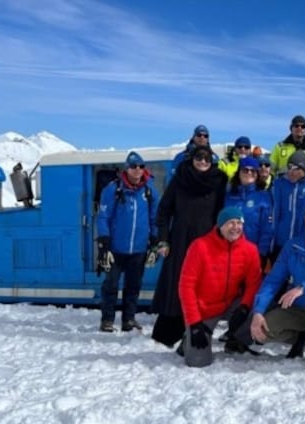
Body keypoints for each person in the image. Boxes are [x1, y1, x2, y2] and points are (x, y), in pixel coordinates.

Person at [232, 202, 305, 373]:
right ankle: (299, 338)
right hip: (297, 309)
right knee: (261, 331)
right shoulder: (293, 246)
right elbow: (273, 280)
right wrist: (258, 311)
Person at [151, 144, 228, 349]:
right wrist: (163, 239)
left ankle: (198, 328)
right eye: (199, 157)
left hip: (207, 242)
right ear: (191, 159)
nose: (203, 161)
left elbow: (223, 213)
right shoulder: (179, 179)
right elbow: (163, 211)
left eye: (207, 158)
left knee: (205, 286)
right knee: (179, 284)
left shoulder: (219, 180)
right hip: (180, 241)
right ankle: (174, 331)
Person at [178, 207, 263, 367]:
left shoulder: (250, 250)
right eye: (230, 223)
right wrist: (194, 323)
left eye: (239, 223)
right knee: (198, 362)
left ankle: (237, 340)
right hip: (204, 310)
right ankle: (188, 337)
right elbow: (186, 287)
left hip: (230, 303)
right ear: (220, 226)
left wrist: (244, 306)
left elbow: (254, 283)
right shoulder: (200, 246)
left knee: (258, 308)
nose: (235, 227)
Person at [95, 151, 159, 332]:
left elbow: (155, 218)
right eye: (133, 166)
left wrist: (154, 243)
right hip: (115, 248)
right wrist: (104, 245)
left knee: (133, 286)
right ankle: (107, 320)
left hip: (138, 248)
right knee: (111, 286)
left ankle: (128, 319)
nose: (137, 170)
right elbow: (103, 217)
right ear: (126, 168)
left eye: (140, 166)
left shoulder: (149, 190)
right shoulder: (113, 189)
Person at [271, 150, 305, 260]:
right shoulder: (280, 184)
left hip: (303, 243)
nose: (291, 172)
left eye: (295, 169)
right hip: (281, 242)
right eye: (289, 168)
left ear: (304, 169)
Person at [225, 157, 274, 269]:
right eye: (245, 170)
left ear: (257, 174)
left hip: (252, 252)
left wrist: (262, 253)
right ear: (239, 172)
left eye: (253, 170)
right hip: (229, 251)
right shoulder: (229, 196)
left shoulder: (263, 196)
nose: (249, 173)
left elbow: (267, 228)